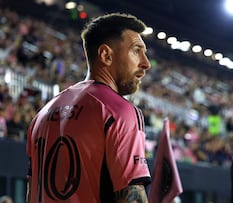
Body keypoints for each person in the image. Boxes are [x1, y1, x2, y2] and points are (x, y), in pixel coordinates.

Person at [26, 13, 152, 203]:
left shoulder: (42, 114)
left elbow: (31, 193)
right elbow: (132, 197)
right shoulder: (119, 110)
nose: (146, 63)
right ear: (106, 55)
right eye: (136, 51)